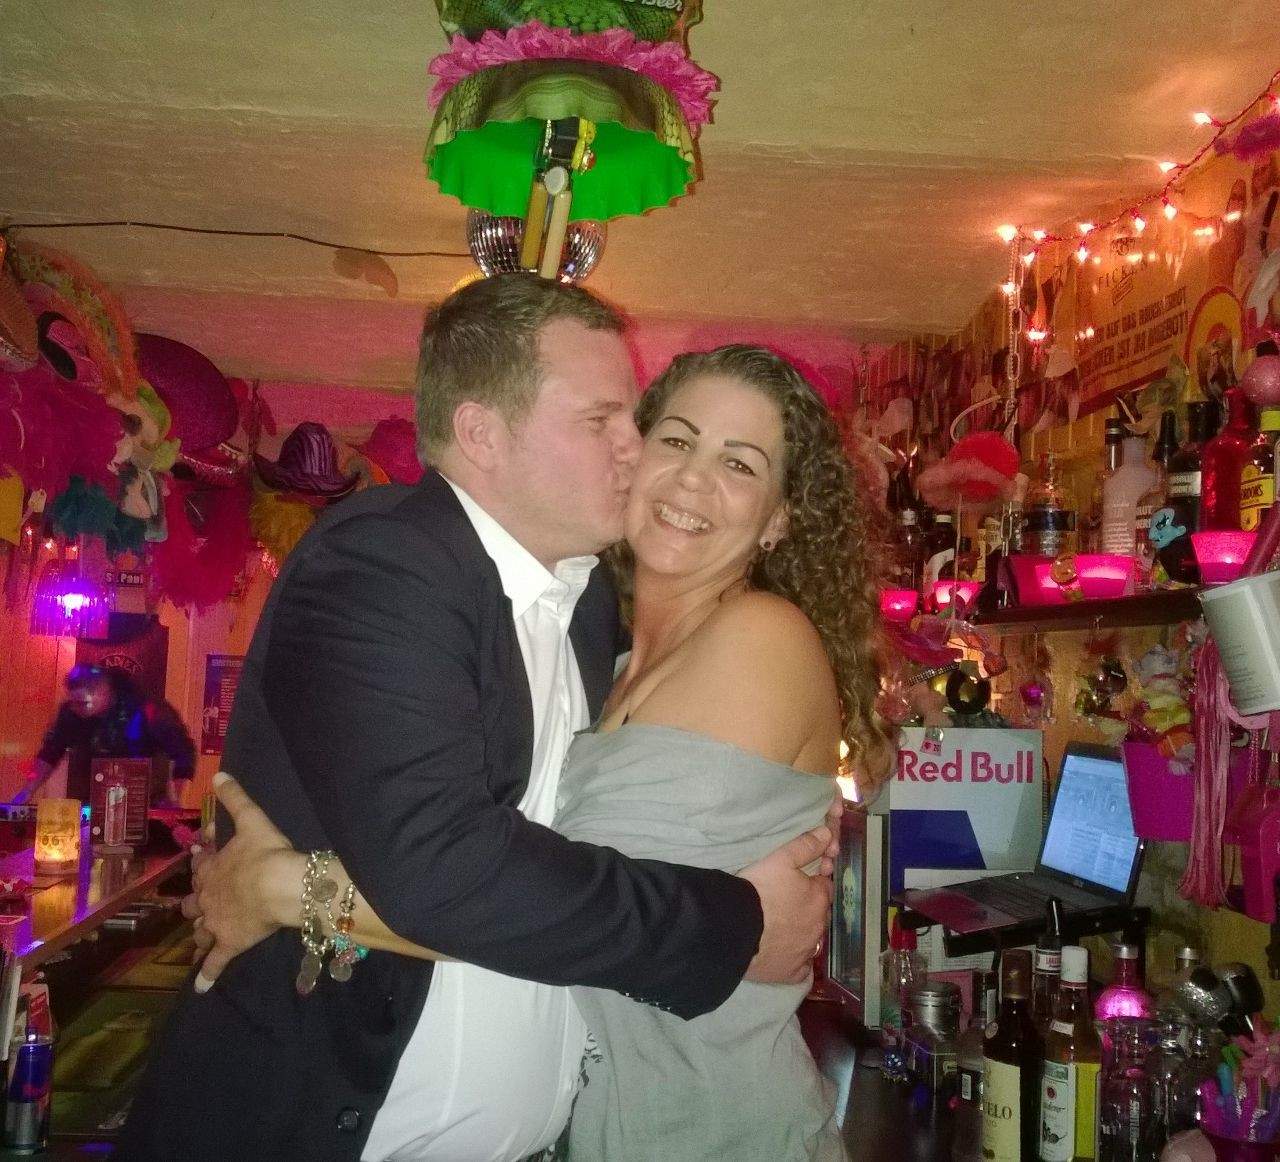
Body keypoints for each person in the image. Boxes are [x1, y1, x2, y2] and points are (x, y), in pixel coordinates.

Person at [118, 276, 839, 1162]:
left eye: (638, 421)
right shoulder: (386, 560)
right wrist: (735, 923)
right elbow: (451, 871)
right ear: (482, 434)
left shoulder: (586, 610)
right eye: (609, 420)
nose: (639, 447)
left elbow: (519, 873)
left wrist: (288, 887)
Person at [21, 663, 195, 805]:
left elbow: (183, 752)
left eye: (82, 703)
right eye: (72, 702)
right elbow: (50, 752)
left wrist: (174, 798)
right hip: (91, 800)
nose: (75, 709)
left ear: (104, 692)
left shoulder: (147, 709)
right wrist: (27, 792)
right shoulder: (71, 712)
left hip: (144, 802)